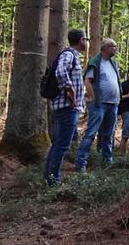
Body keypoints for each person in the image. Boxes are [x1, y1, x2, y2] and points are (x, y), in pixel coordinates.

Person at [44, 29, 87, 185]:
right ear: (81, 40)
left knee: (58, 143)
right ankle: (53, 179)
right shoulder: (69, 55)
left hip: (66, 107)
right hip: (66, 108)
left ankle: (49, 176)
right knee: (62, 144)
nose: (86, 43)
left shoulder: (72, 56)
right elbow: (60, 72)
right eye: (85, 39)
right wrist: (70, 90)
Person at [75, 38, 122, 171]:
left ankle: (107, 162)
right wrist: (93, 97)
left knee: (108, 134)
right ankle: (81, 163)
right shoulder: (96, 62)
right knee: (91, 133)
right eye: (113, 46)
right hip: (99, 104)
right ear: (105, 48)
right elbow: (87, 81)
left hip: (113, 104)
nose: (115, 48)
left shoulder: (113, 63)